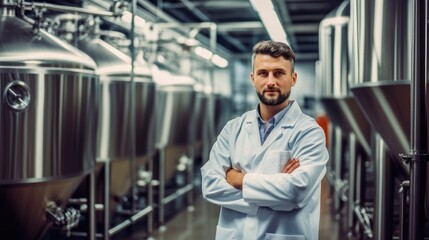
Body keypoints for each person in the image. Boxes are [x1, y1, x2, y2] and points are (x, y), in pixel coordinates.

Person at [200, 40, 329, 240]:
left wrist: (240, 179)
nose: (270, 81)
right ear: (253, 78)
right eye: (263, 73)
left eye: (279, 73)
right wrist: (276, 191)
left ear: (293, 78)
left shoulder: (309, 132)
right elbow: (210, 186)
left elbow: (295, 192)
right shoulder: (233, 129)